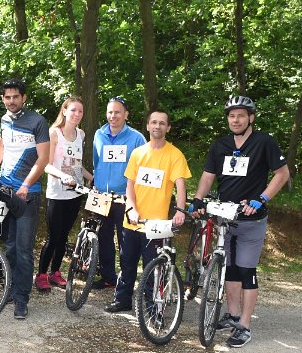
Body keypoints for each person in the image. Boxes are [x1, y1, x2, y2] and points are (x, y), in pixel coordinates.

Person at [191, 95, 290, 348]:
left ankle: (245, 325)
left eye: (241, 115)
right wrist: (198, 199)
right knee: (230, 268)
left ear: (251, 118)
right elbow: (207, 176)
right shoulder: (220, 145)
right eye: (232, 116)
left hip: (251, 219)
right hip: (225, 217)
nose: (236, 120)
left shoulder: (264, 142)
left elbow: (282, 174)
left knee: (246, 271)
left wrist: (262, 198)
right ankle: (233, 315)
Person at [107, 109, 191, 313]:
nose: (157, 126)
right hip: (133, 220)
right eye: (154, 122)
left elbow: (181, 186)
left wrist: (180, 210)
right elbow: (130, 185)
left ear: (168, 128)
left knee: (153, 268)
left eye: (162, 123)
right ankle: (123, 299)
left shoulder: (175, 155)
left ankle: (153, 307)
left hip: (157, 225)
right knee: (127, 263)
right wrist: (132, 209)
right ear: (147, 126)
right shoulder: (138, 153)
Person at [0, 79, 50, 319]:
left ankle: (22, 299)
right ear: (3, 99)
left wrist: (26, 185)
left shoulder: (37, 121)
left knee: (23, 249)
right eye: (7, 97)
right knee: (9, 246)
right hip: (5, 190)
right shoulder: (5, 119)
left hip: (27, 195)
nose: (11, 101)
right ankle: (10, 291)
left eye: (15, 97)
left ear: (24, 97)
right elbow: (1, 144)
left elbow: (43, 158)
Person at [34, 96, 93, 292]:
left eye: (80, 111)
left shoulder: (81, 134)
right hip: (57, 194)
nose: (77, 114)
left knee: (65, 235)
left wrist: (89, 177)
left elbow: (76, 164)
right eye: (73, 110)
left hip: (74, 194)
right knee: (53, 237)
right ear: (65, 111)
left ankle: (55, 272)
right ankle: (41, 274)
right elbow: (47, 164)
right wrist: (62, 177)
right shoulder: (54, 133)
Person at [90, 96, 146, 290]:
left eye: (117, 112)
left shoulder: (136, 138)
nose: (113, 116)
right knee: (103, 238)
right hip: (101, 195)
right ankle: (107, 276)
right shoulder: (99, 134)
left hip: (124, 196)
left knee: (125, 241)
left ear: (126, 115)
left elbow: (142, 167)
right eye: (110, 112)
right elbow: (96, 162)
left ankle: (125, 281)